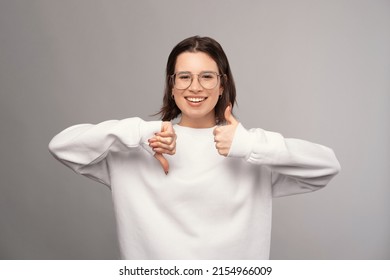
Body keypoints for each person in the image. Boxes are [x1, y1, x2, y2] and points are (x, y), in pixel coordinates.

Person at [48, 36, 340, 259]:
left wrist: (247, 144)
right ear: (172, 85)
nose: (195, 87)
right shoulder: (140, 147)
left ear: (222, 85)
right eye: (184, 77)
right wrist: (142, 132)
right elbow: (62, 146)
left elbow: (326, 166)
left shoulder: (248, 147)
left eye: (207, 77)